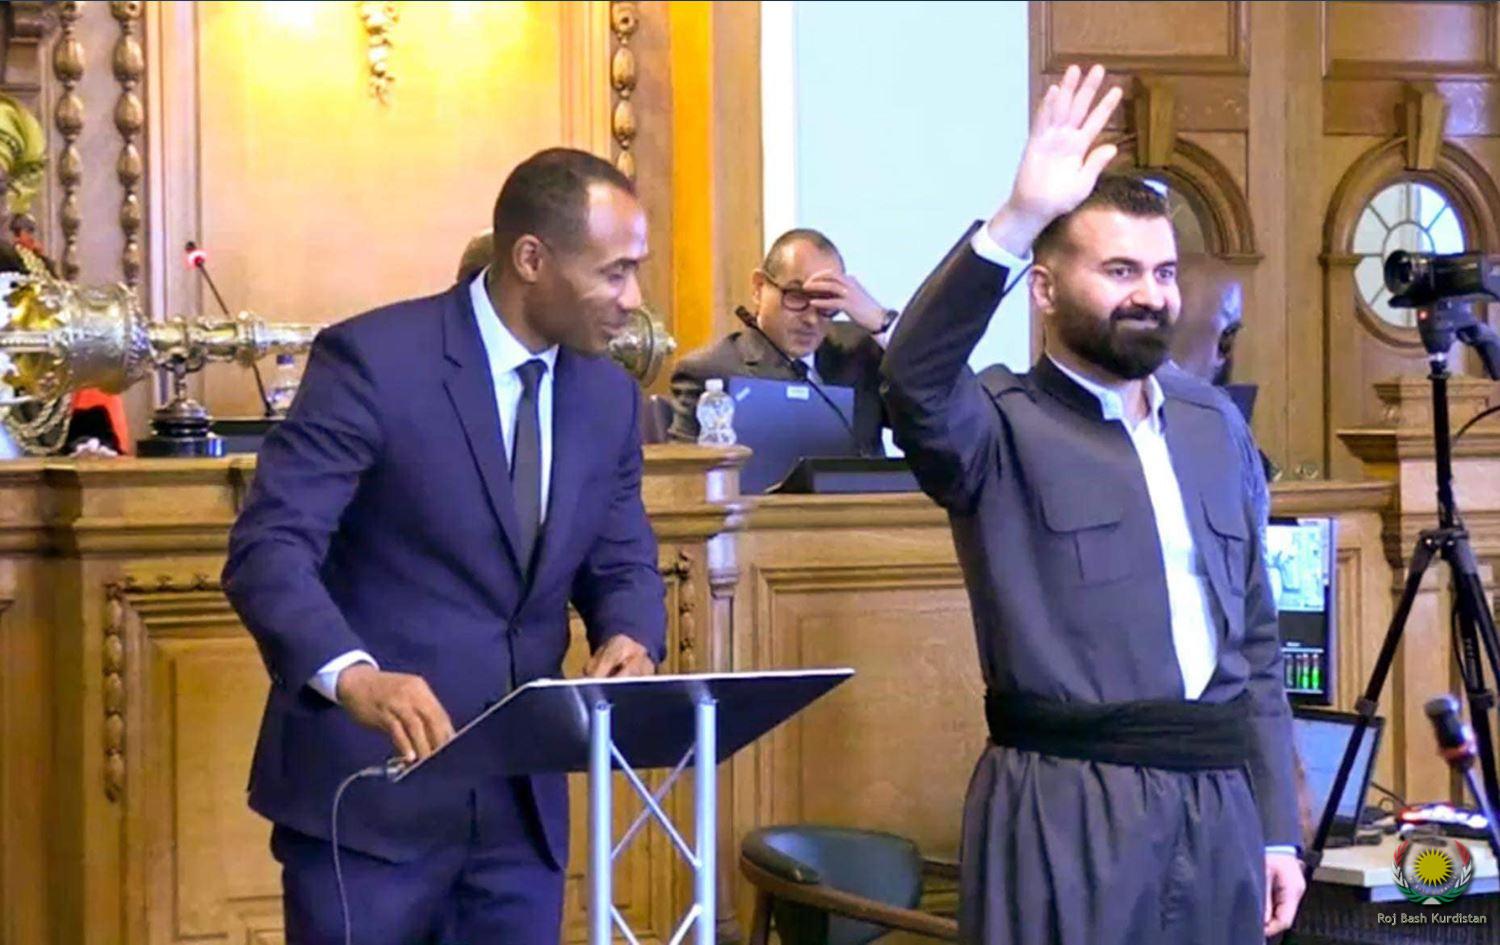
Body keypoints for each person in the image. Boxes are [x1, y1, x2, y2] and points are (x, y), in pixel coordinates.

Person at [880, 65, 1304, 944]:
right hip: (1065, 804)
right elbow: (912, 378)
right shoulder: (996, 426)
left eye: (1164, 271)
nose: (1151, 294)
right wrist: (1016, 219)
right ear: (1044, 288)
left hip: (1219, 803)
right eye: (1119, 270)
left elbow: (1256, 642)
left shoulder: (1214, 424)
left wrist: (1275, 828)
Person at [223, 147, 666, 943]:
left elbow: (621, 559)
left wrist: (630, 634)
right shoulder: (376, 360)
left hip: (520, 817)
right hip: (371, 797)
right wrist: (352, 675)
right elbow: (270, 546)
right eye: (614, 272)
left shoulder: (609, 396)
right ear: (531, 258)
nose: (633, 298)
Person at [667, 228, 897, 453]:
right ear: (758, 287)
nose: (811, 319)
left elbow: (919, 418)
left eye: (826, 301)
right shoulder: (710, 371)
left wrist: (883, 322)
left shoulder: (862, 353)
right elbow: (684, 472)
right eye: (796, 296)